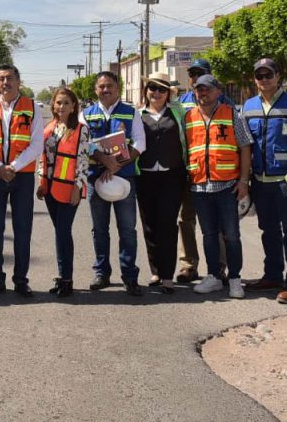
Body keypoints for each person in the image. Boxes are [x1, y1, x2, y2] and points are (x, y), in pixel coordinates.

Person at [0, 64, 44, 297]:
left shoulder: (32, 107)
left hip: (21, 177)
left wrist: (12, 167)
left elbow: (37, 145)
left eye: (10, 78)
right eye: (1, 79)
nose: (6, 83)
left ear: (19, 81)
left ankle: (21, 280)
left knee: (22, 230)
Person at [241, 58, 287, 303]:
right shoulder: (248, 106)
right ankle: (272, 275)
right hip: (260, 181)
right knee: (268, 231)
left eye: (269, 74)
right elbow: (244, 146)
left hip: (286, 181)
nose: (264, 79)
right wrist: (244, 180)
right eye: (260, 75)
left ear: (278, 76)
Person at [185, 74, 251, 299]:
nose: (202, 93)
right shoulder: (189, 117)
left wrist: (243, 181)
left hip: (227, 187)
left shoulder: (232, 114)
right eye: (199, 90)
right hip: (200, 188)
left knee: (231, 235)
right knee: (209, 235)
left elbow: (245, 147)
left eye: (207, 89)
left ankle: (234, 279)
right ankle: (213, 276)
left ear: (218, 92)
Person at [83, 71, 146, 296]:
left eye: (110, 85)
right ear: (95, 90)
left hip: (124, 178)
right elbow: (84, 143)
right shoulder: (86, 114)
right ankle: (102, 273)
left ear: (117, 88)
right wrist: (104, 160)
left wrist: (117, 163)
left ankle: (130, 276)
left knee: (127, 229)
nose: (105, 90)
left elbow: (140, 142)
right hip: (96, 179)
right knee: (99, 229)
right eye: (101, 87)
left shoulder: (131, 113)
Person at [175, 57, 233, 283]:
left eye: (200, 73)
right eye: (192, 74)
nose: (195, 78)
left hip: (218, 175)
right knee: (185, 219)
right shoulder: (181, 102)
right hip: (191, 172)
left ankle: (219, 267)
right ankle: (188, 265)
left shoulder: (224, 102)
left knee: (217, 224)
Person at [135, 72, 187, 294]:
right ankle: (155, 271)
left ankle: (167, 275)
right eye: (152, 88)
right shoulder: (137, 115)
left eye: (161, 89)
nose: (156, 93)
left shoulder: (179, 113)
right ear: (146, 91)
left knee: (167, 225)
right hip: (144, 175)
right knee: (149, 226)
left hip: (172, 175)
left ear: (168, 94)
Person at [37, 87, 89, 297]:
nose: (62, 107)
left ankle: (67, 279)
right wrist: (41, 181)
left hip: (69, 189)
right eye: (58, 103)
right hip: (50, 187)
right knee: (59, 233)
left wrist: (78, 186)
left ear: (74, 105)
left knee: (63, 232)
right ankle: (62, 276)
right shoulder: (49, 127)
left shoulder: (81, 129)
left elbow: (83, 160)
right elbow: (43, 157)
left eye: (66, 103)